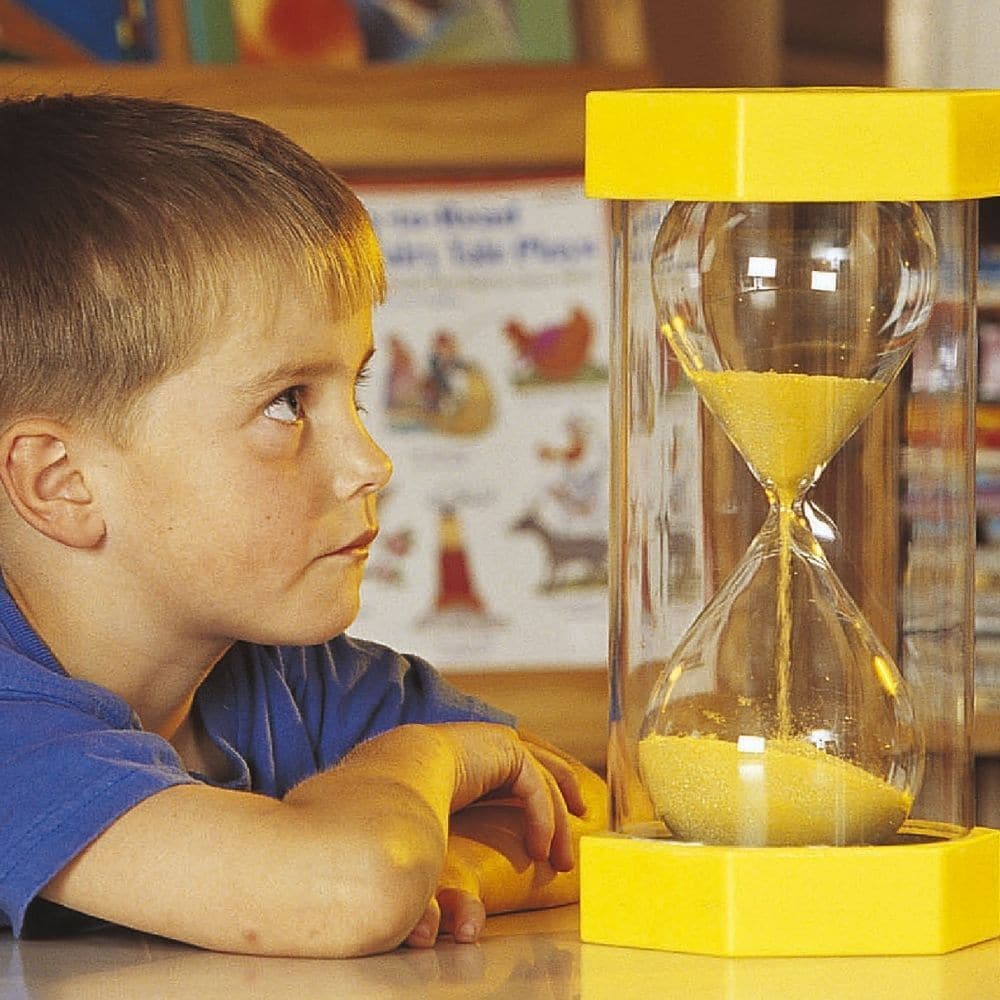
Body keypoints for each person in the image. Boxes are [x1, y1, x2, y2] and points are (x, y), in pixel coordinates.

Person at [0, 93, 606, 958]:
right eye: (288, 404)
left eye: (354, 391)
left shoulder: (297, 681)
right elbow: (341, 894)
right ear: (64, 484)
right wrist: (413, 773)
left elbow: (572, 811)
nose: (372, 463)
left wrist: (437, 865)